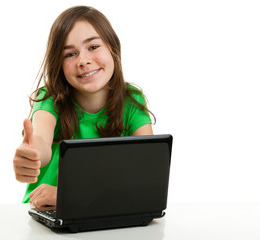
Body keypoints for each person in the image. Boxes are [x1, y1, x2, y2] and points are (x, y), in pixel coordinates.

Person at [13, 5, 155, 209]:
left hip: (102, 210)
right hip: (49, 211)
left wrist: (68, 194)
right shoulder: (50, 99)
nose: (84, 61)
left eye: (93, 47)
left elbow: (147, 171)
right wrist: (32, 154)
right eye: (70, 54)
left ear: (113, 48)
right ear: (59, 65)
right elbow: (41, 140)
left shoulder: (132, 100)